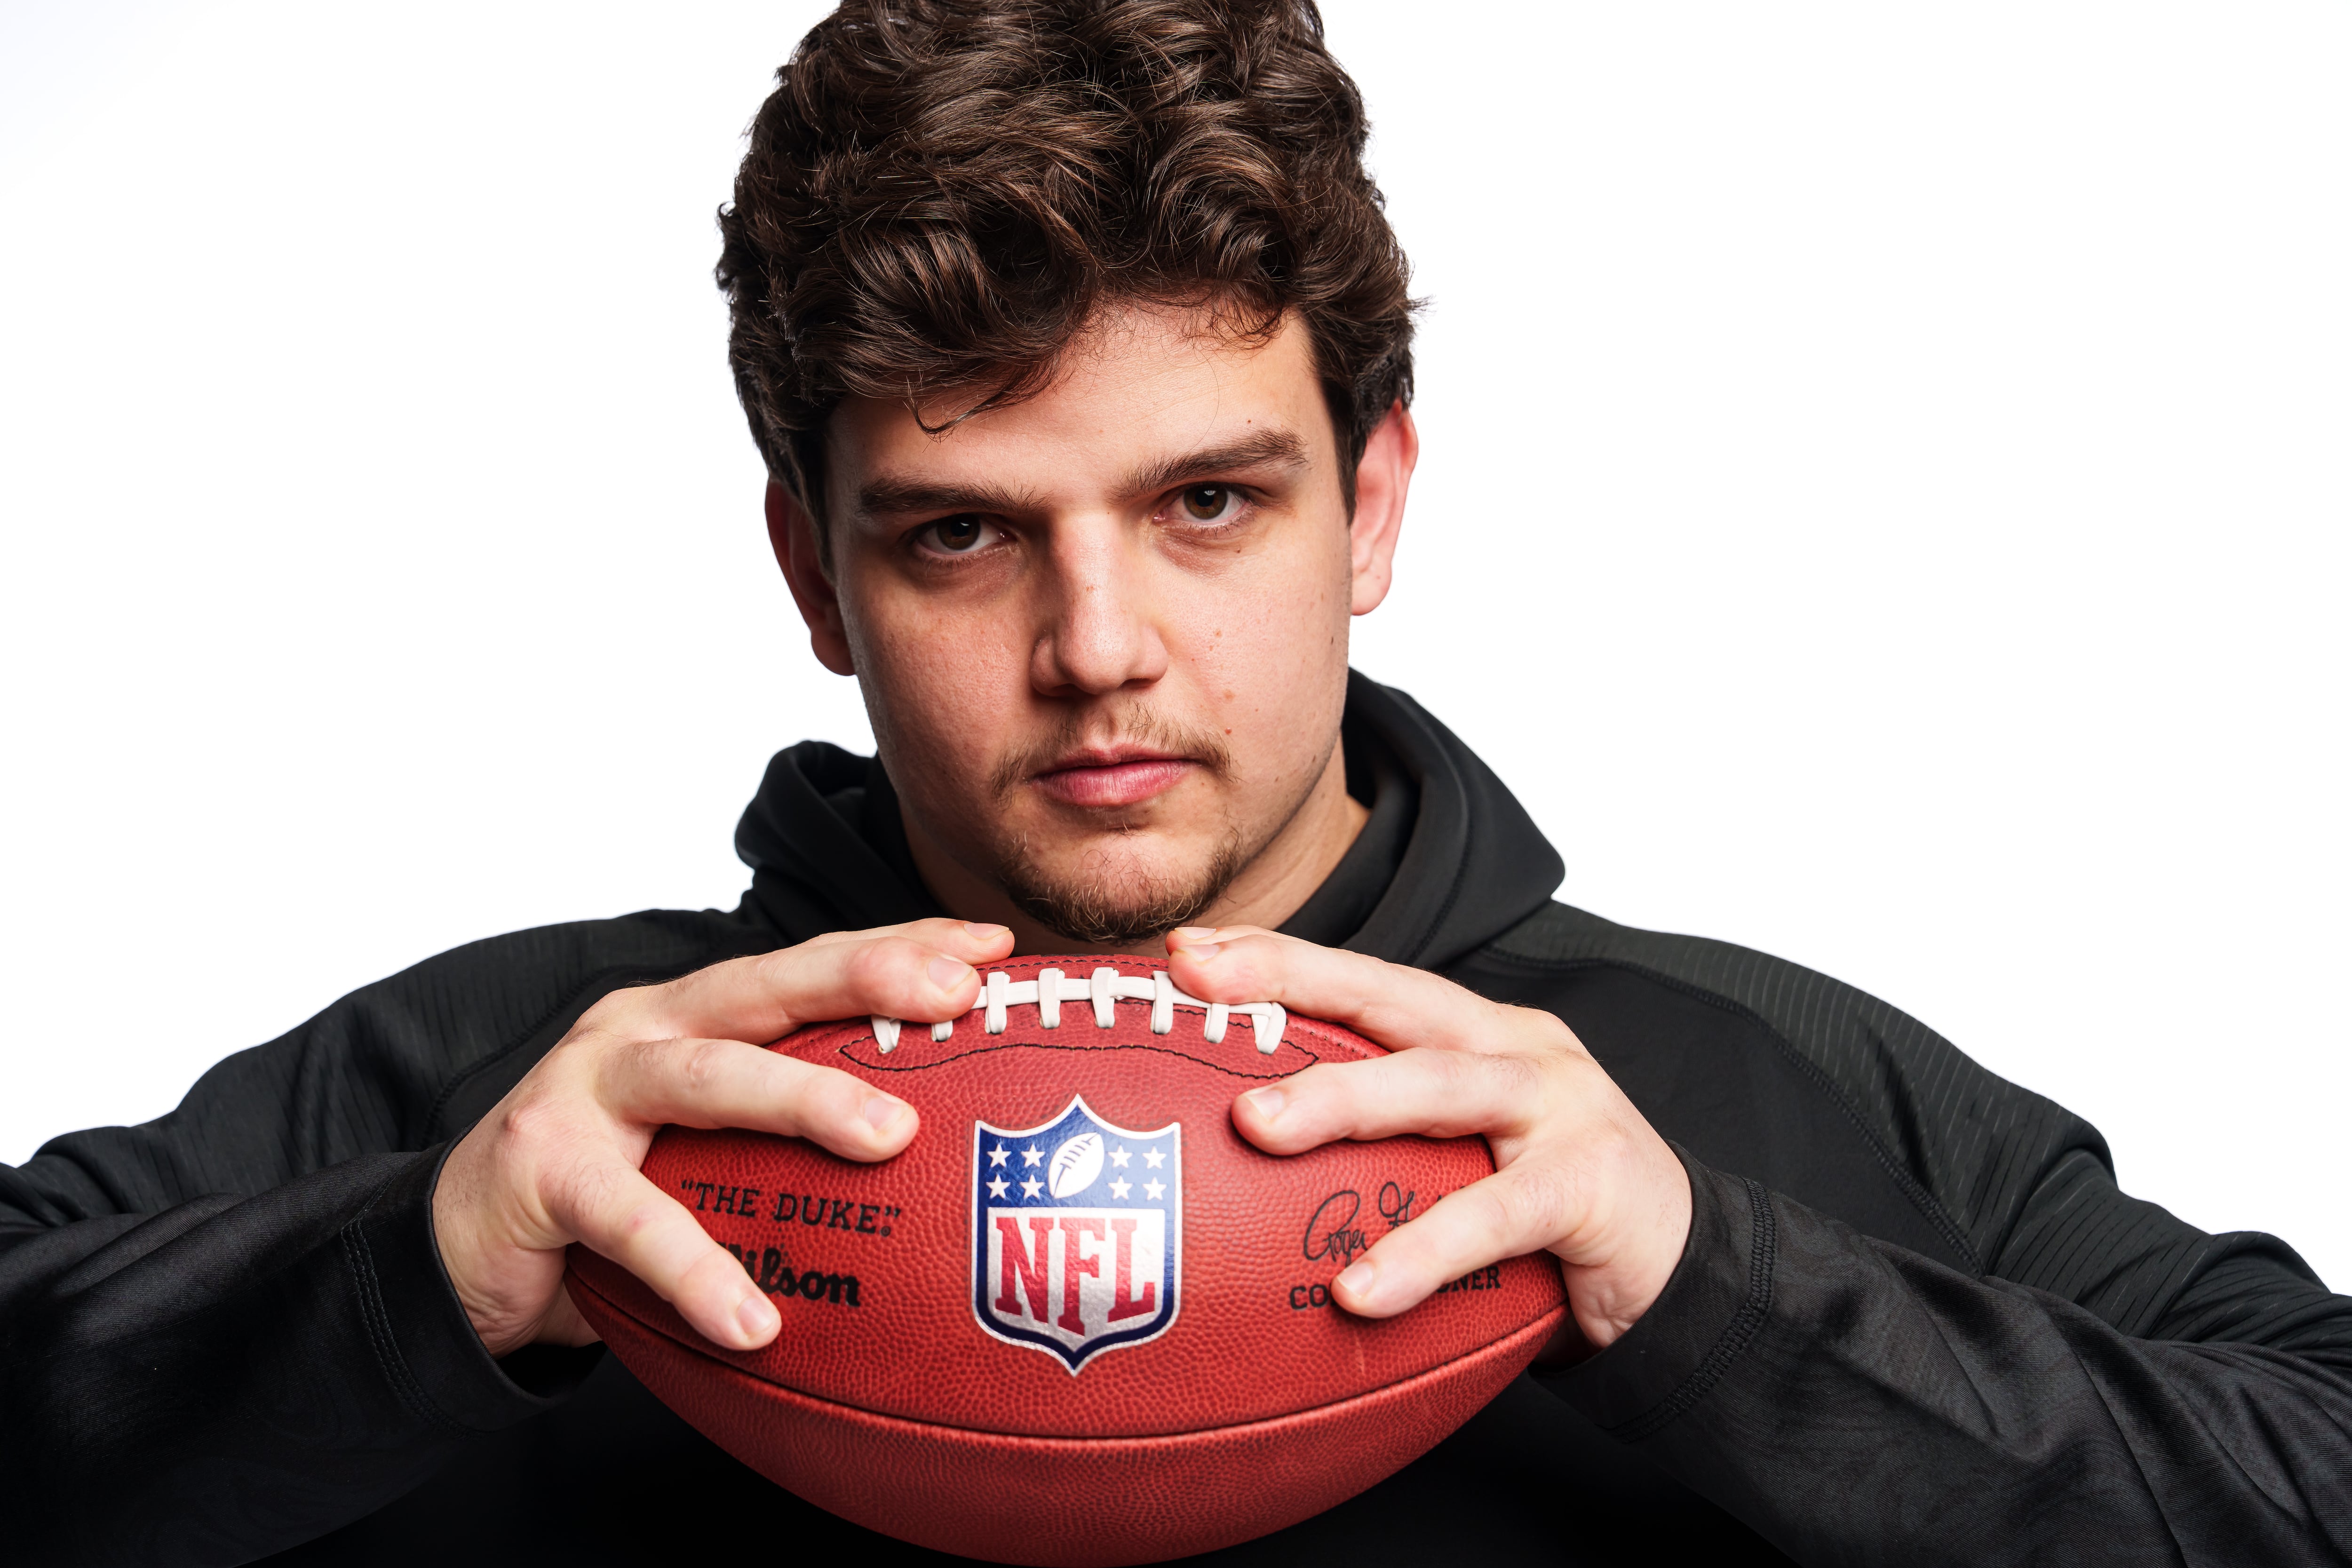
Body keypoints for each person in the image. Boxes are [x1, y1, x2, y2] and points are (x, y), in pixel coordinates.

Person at [2, 1, 2344, 1563]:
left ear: (1378, 504)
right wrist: (399, 1274)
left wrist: (1718, 1294)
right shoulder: (540, 1090)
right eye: (956, 530)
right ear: (812, 569)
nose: (1098, 647)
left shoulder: (1731, 1088)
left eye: (1208, 505)